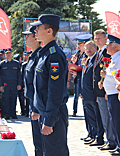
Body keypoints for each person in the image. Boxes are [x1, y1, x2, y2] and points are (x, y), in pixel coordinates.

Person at [31, 14, 69, 155]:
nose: (35, 31)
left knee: (55, 152)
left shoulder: (54, 55)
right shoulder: (45, 53)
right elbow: (40, 86)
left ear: (49, 31)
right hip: (44, 113)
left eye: (38, 28)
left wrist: (49, 120)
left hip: (53, 115)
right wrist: (36, 108)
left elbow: (55, 91)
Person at [93, 29, 116, 150]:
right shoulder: (99, 52)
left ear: (105, 38)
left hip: (107, 90)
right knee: (104, 117)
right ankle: (109, 139)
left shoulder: (107, 53)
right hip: (101, 90)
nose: (97, 41)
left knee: (108, 118)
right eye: (95, 38)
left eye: (100, 38)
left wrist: (106, 90)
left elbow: (110, 71)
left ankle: (111, 141)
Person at [22, 26, 43, 156]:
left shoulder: (40, 56)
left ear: (36, 37)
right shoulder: (33, 56)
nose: (25, 38)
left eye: (28, 36)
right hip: (32, 102)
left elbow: (39, 86)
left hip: (38, 105)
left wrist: (35, 108)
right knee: (37, 139)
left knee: (42, 141)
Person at [80, 41, 104, 147]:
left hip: (93, 94)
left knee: (97, 117)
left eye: (90, 48)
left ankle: (99, 137)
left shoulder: (96, 59)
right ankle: (93, 135)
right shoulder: (87, 60)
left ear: (95, 48)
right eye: (86, 48)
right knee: (91, 117)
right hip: (86, 94)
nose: (88, 50)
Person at [100, 34, 120, 155]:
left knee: (117, 121)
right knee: (114, 121)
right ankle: (118, 145)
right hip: (111, 93)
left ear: (116, 46)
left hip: (116, 94)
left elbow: (117, 76)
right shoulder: (114, 58)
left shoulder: (118, 58)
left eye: (109, 44)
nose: (106, 47)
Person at [70, 34, 92, 142]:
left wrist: (77, 73)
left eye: (79, 44)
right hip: (80, 83)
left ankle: (94, 133)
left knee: (91, 112)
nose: (78, 46)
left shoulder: (87, 56)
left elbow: (86, 72)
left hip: (87, 86)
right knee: (86, 111)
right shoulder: (79, 55)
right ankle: (90, 133)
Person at [0, 48, 22, 119]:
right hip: (6, 84)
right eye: (7, 53)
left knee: (14, 99)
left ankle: (13, 114)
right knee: (6, 99)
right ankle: (7, 114)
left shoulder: (16, 63)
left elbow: (19, 75)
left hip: (14, 83)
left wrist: (19, 84)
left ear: (12, 54)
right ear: (5, 55)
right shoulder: (2, 64)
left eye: (9, 53)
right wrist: (0, 85)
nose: (8, 55)